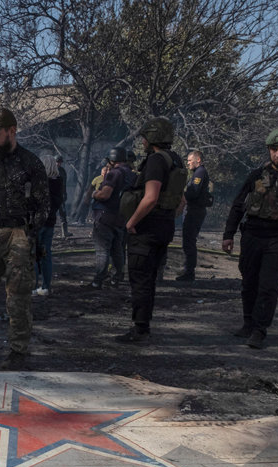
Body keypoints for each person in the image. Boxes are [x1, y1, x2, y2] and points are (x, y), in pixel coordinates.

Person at [0, 107, 49, 369]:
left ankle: (18, 351)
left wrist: (30, 233)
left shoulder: (31, 163)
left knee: (18, 297)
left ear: (11, 131)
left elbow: (43, 204)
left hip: (19, 233)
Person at [116, 117, 186, 344]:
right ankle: (143, 325)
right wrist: (167, 217)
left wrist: (131, 222)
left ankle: (140, 329)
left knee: (140, 279)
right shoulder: (175, 161)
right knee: (150, 278)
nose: (142, 141)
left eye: (145, 137)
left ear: (153, 137)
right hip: (164, 225)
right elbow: (181, 201)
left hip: (147, 227)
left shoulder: (156, 160)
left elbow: (151, 197)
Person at [222, 127, 278, 349]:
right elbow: (237, 205)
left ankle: (260, 330)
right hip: (252, 236)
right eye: (274, 150)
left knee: (268, 286)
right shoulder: (256, 175)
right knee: (249, 282)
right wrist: (228, 235)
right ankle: (248, 323)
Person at [89, 148, 135, 288]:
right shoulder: (132, 175)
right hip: (121, 217)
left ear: (112, 159)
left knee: (103, 250)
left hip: (105, 216)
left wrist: (95, 194)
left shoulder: (114, 173)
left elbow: (105, 195)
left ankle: (98, 280)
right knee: (118, 250)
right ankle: (117, 277)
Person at [176, 150, 211, 282]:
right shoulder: (197, 173)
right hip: (193, 210)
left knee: (189, 241)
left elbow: (193, 192)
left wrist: (181, 196)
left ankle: (189, 272)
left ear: (198, 160)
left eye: (190, 160)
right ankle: (187, 270)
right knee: (188, 240)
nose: (188, 162)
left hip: (194, 211)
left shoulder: (200, 173)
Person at [34, 155, 63, 295]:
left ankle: (33, 287)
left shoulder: (40, 182)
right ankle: (45, 287)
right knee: (46, 254)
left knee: (33, 254)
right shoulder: (59, 182)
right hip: (50, 222)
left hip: (37, 223)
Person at [55, 155, 72, 237]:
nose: (58, 164)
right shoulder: (50, 170)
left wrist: (64, 193)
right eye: (57, 162)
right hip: (53, 195)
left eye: (59, 162)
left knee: (63, 213)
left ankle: (64, 232)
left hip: (60, 195)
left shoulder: (62, 171)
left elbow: (64, 184)